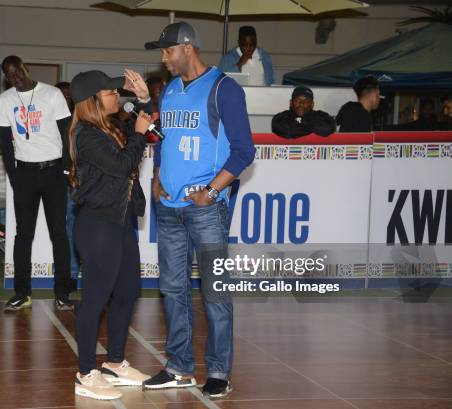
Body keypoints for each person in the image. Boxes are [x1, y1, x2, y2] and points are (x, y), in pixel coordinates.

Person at [143, 22, 255, 399]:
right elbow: (163, 139)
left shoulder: (225, 88)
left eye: (166, 50)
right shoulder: (171, 90)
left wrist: (211, 190)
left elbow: (244, 151)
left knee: (214, 293)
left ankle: (220, 370)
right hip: (169, 207)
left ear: (187, 48)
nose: (163, 57)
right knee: (172, 290)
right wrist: (157, 174)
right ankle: (179, 366)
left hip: (206, 210)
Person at [69, 69, 152, 400]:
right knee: (95, 299)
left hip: (121, 222)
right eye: (109, 93)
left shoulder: (111, 128)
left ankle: (115, 363)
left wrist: (145, 98)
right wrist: (140, 136)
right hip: (97, 225)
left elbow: (145, 126)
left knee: (128, 292)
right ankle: (86, 372)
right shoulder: (87, 135)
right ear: (92, 101)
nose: (117, 97)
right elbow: (122, 165)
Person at [0, 55, 74, 311]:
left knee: (59, 234)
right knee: (23, 236)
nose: (15, 77)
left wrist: (66, 170)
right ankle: (22, 292)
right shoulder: (4, 101)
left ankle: (62, 293)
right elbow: (5, 143)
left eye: (17, 71)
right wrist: (14, 177)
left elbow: (67, 134)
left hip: (53, 172)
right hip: (25, 174)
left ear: (25, 68)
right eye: (9, 75)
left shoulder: (51, 94)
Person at [55, 81, 80, 288]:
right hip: (52, 179)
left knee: (73, 226)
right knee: (58, 229)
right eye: (61, 95)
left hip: (74, 181)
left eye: (68, 95)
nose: (65, 98)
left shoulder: (79, 119)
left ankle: (71, 274)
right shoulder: (47, 119)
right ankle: (63, 272)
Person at [271, 86, 336, 138]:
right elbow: (288, 132)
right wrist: (311, 127)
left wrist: (300, 123)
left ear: (312, 104)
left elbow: (326, 130)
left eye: (306, 101)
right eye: (297, 101)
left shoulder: (322, 116)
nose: (301, 104)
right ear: (291, 102)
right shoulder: (280, 118)